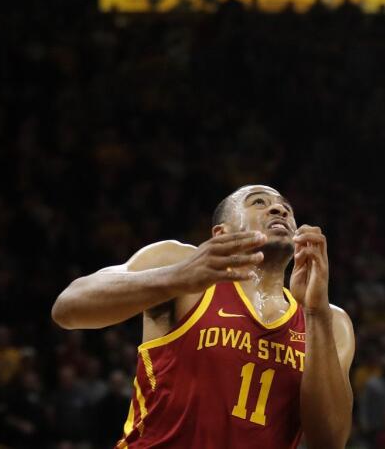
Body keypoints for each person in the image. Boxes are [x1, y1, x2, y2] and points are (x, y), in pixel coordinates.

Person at [51, 185, 355, 449]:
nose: (279, 208)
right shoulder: (179, 264)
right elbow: (68, 307)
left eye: (287, 208)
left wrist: (315, 314)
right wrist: (177, 277)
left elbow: (328, 442)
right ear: (221, 233)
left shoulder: (331, 323)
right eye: (258, 202)